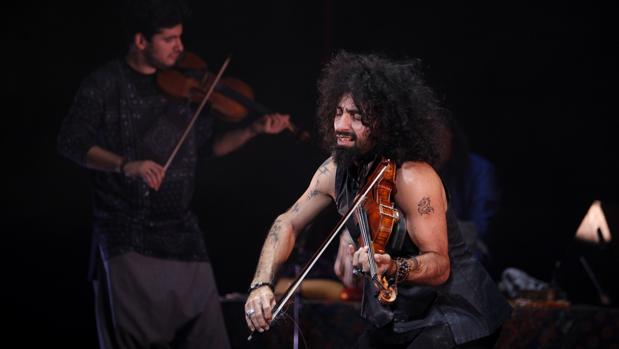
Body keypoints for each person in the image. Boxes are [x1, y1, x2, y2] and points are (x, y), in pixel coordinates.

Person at [57, 0, 291, 348]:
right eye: (169, 39)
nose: (180, 47)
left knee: (207, 337)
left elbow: (208, 147)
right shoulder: (105, 84)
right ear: (140, 41)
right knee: (136, 338)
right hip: (126, 231)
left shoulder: (185, 86)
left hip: (182, 232)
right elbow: (71, 142)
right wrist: (125, 164)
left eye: (180, 37)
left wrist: (252, 129)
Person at [244, 51, 511, 348]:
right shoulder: (335, 170)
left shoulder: (413, 178)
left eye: (357, 117)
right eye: (338, 113)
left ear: (384, 122)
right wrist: (261, 284)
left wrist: (392, 266)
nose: (341, 126)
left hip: (455, 313)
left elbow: (439, 265)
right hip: (400, 314)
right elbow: (288, 223)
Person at [435, 111, 502, 276]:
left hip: (470, 260)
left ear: (450, 135)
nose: (433, 145)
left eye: (437, 136)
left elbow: (482, 228)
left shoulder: (479, 170)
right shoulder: (422, 171)